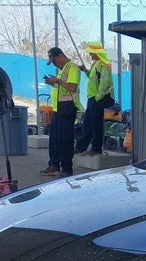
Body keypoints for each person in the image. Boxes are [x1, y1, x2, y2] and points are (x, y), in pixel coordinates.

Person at [41, 47, 82, 177]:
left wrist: (57, 80)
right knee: (55, 139)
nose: (55, 64)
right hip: (58, 108)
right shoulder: (63, 70)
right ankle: (54, 164)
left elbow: (72, 87)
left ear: (60, 56)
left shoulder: (72, 68)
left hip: (68, 107)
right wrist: (53, 83)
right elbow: (62, 88)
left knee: (65, 139)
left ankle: (66, 168)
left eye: (54, 61)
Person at [75, 42, 114, 156]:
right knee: (88, 123)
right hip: (92, 97)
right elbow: (93, 78)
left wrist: (98, 98)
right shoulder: (96, 64)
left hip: (97, 98)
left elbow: (105, 83)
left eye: (91, 53)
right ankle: (81, 147)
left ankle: (96, 148)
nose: (90, 55)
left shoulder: (104, 65)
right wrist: (85, 70)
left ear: (96, 53)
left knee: (95, 124)